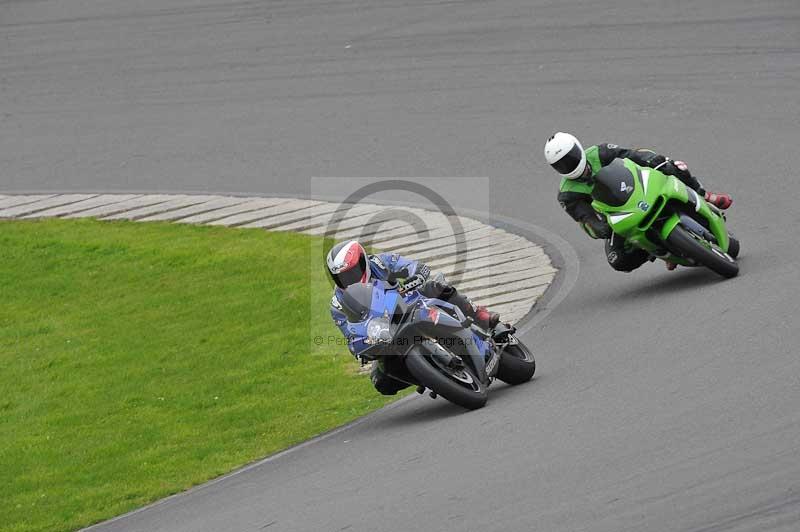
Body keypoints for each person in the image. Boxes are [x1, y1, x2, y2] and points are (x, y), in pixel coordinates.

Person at [326, 240, 499, 395]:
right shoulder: (337, 304)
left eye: (352, 272)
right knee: (381, 382)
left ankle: (481, 315)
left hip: (411, 303)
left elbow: (415, 267)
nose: (348, 279)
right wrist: (361, 349)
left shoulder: (380, 262)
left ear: (364, 262)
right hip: (385, 332)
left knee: (437, 286)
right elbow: (350, 334)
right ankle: (432, 376)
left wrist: (414, 278)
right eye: (340, 277)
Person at [544, 132, 733, 272]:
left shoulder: (599, 152)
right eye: (562, 163)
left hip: (636, 189)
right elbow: (584, 218)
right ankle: (660, 252)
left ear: (579, 148)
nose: (569, 164)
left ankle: (705, 195)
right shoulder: (567, 194)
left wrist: (655, 161)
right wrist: (599, 227)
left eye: (571, 157)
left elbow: (632, 154)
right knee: (617, 260)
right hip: (616, 215)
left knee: (676, 167)